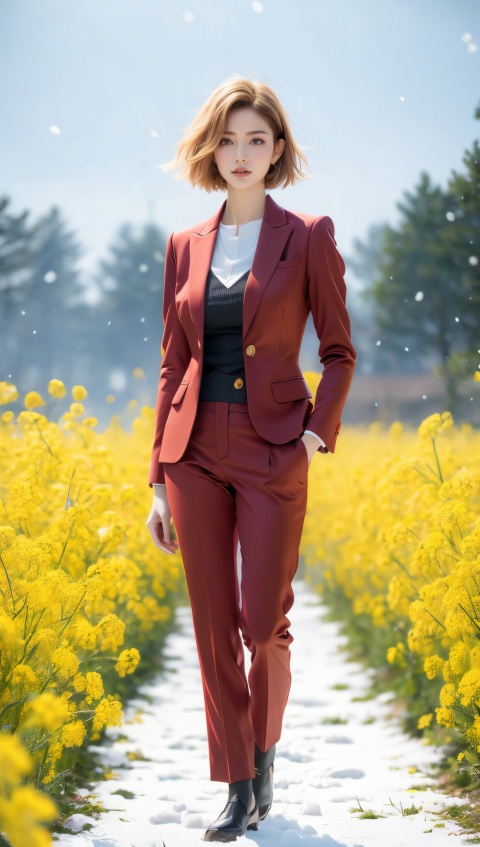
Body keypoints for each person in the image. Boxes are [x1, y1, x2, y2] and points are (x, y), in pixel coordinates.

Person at [146, 74, 356, 843]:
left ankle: (262, 751)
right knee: (210, 626)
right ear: (212, 148)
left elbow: (339, 351)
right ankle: (238, 785)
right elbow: (173, 367)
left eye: (256, 140)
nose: (241, 154)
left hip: (274, 448)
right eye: (229, 139)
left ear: (277, 151)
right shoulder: (183, 246)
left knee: (261, 622)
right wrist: (158, 482)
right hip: (193, 451)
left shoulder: (308, 235)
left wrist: (314, 431)